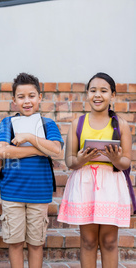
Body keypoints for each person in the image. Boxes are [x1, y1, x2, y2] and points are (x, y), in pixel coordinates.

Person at [57, 73, 131, 267]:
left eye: (103, 91)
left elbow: (126, 162)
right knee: (88, 242)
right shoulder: (77, 124)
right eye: (93, 90)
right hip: (86, 184)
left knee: (109, 241)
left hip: (111, 184)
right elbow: (70, 161)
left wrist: (115, 158)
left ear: (112, 95)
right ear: (87, 94)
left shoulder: (121, 125)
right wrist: (80, 159)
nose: (97, 95)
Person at [0, 73, 63, 268]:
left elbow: (57, 150)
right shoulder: (7, 123)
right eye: (21, 97)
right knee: (15, 242)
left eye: (31, 96)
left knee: (36, 243)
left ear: (40, 97)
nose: (27, 101)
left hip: (39, 194)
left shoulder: (47, 124)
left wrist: (30, 137)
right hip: (12, 193)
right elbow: (2, 151)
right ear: (14, 100)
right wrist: (40, 149)